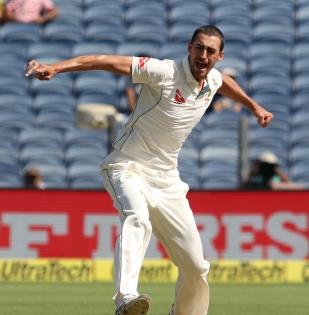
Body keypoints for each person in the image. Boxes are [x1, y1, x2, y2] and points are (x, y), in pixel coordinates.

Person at [25, 25, 273, 315]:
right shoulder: (163, 71)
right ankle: (126, 298)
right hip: (127, 166)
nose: (203, 55)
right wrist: (56, 67)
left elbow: (225, 82)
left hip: (167, 180)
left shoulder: (214, 79)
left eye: (210, 51)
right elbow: (104, 60)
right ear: (188, 47)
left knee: (196, 267)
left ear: (219, 56)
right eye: (198, 47)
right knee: (137, 218)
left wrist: (254, 106)